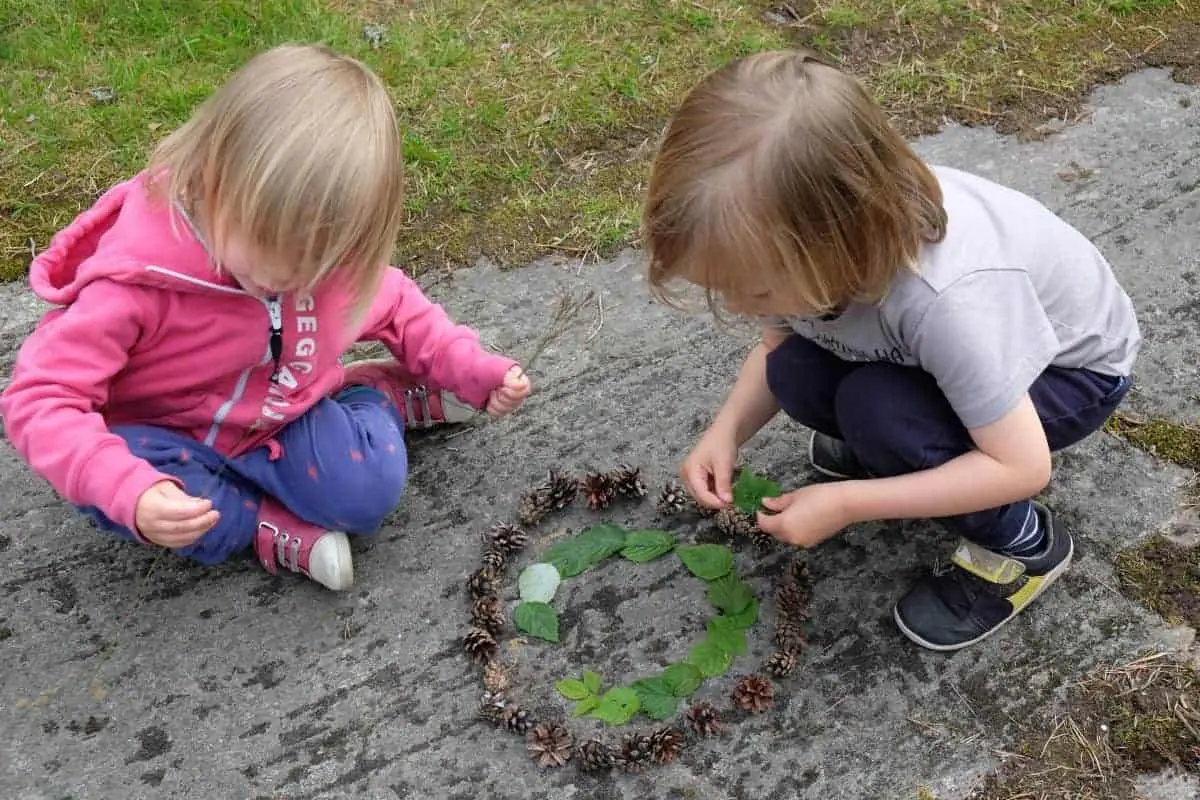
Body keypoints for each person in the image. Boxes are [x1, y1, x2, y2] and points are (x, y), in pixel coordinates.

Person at [641, 49, 1139, 651]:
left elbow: (1022, 466)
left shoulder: (949, 299)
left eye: (756, 290)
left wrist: (850, 503)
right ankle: (896, 453)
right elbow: (776, 348)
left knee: (881, 411)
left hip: (1067, 374)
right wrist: (725, 432)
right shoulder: (796, 238)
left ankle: (1022, 546)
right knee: (794, 369)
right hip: (936, 351)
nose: (742, 306)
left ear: (842, 236)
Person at [0, 44, 531, 592]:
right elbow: (40, 397)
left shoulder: (320, 265)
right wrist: (127, 488)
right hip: (161, 435)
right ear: (212, 177)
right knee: (143, 505)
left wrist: (472, 368)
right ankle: (260, 527)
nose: (288, 277)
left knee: (368, 496)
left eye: (319, 262)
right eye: (271, 244)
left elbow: (399, 308)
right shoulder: (138, 282)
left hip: (281, 414)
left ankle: (378, 396)